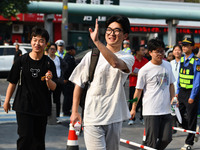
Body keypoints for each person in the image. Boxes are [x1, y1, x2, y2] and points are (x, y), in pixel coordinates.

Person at [69, 15, 134, 150]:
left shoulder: (127, 57)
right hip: (92, 116)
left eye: (117, 30)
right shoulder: (92, 55)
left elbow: (115, 63)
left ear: (125, 35)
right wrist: (75, 111)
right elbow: (79, 83)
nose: (111, 33)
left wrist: (97, 42)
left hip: (114, 117)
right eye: (109, 29)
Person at [3, 26, 57, 150]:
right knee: (25, 137)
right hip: (23, 105)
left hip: (41, 107)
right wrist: (6, 101)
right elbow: (12, 82)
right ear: (31, 41)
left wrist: (49, 80)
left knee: (38, 141)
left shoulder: (49, 63)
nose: (37, 43)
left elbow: (54, 87)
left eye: (41, 41)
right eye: (35, 40)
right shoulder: (21, 61)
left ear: (45, 44)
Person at [130, 38, 175, 150]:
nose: (160, 53)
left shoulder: (168, 65)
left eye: (162, 51)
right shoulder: (144, 70)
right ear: (150, 52)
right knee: (151, 143)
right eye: (157, 51)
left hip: (166, 109)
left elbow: (171, 85)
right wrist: (133, 108)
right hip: (151, 111)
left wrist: (173, 98)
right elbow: (138, 90)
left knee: (167, 138)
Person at [176, 38, 200, 150]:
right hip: (181, 92)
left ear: (192, 47)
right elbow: (179, 77)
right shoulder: (181, 59)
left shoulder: (196, 61)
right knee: (178, 115)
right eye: (183, 45)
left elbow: (197, 80)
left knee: (191, 117)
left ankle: (189, 143)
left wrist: (192, 96)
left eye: (186, 45)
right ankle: (193, 131)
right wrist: (177, 91)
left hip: (191, 92)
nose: (184, 47)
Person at [128, 44, 148, 125]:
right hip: (133, 84)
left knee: (143, 102)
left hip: (143, 85)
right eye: (142, 50)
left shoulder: (146, 61)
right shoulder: (132, 60)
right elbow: (129, 71)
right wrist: (139, 74)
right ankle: (131, 118)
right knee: (133, 100)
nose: (144, 52)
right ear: (137, 52)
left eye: (144, 50)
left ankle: (142, 118)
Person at [48, 43, 68, 118]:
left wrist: (62, 75)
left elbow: (66, 66)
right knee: (47, 98)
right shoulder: (46, 59)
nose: (52, 51)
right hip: (48, 81)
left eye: (54, 49)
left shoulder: (59, 59)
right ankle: (48, 115)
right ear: (48, 50)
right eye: (51, 49)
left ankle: (57, 115)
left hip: (58, 81)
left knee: (57, 99)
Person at [62, 45, 76, 116]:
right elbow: (69, 69)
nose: (75, 52)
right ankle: (66, 111)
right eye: (74, 50)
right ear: (71, 50)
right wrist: (66, 78)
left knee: (67, 96)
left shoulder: (66, 57)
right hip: (68, 80)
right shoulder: (70, 58)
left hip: (67, 79)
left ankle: (66, 110)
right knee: (68, 96)